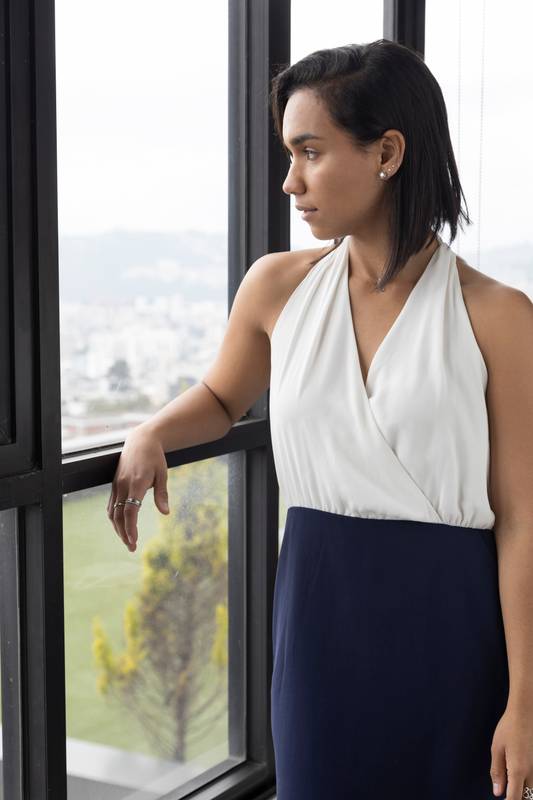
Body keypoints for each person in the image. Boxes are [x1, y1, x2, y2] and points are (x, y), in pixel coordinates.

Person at [107, 38, 533, 800]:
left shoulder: (498, 316)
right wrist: (150, 432)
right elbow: (220, 397)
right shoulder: (276, 287)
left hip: (455, 631)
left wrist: (525, 702)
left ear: (387, 152)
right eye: (287, 153)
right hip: (319, 620)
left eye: (308, 151)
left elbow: (522, 518)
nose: (288, 181)